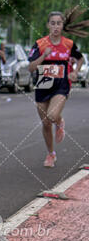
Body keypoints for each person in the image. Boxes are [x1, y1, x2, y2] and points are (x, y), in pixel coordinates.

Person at [28, 10, 84, 168]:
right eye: (52, 23)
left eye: (59, 23)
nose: (56, 26)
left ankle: (59, 121)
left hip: (61, 85)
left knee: (52, 116)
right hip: (43, 84)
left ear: (62, 25)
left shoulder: (69, 44)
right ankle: (51, 154)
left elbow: (80, 59)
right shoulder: (40, 44)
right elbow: (31, 68)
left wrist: (75, 71)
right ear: (48, 25)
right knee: (45, 123)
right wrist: (43, 56)